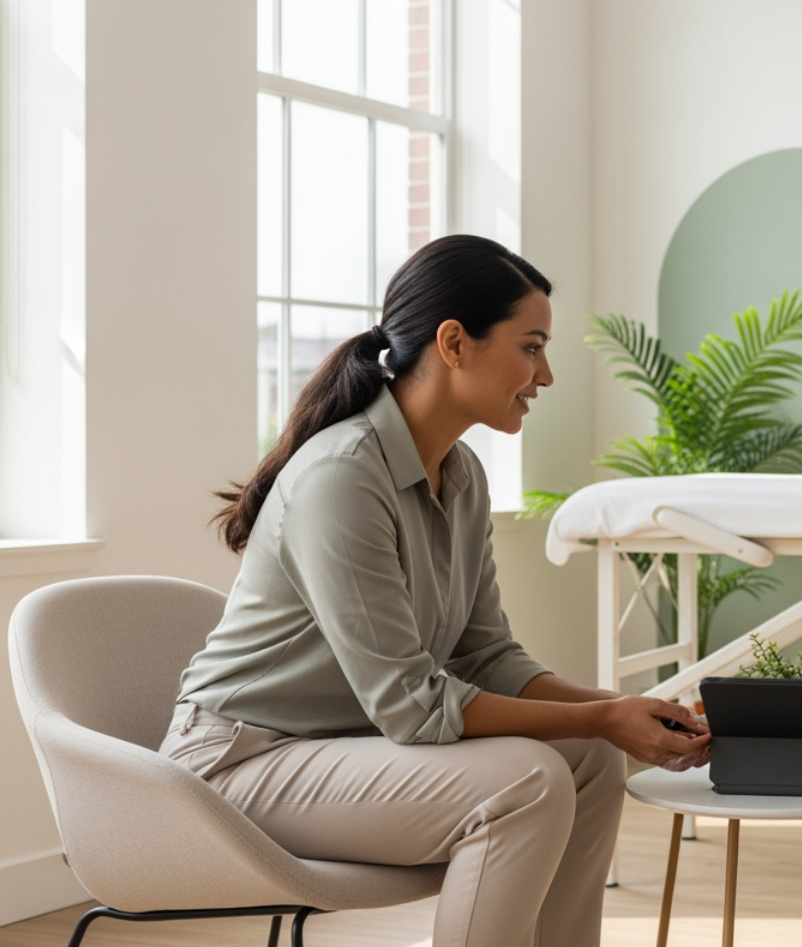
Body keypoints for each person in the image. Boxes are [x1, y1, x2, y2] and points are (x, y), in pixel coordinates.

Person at [160, 234, 709, 947]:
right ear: (455, 342)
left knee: (590, 761)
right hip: (238, 765)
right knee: (526, 783)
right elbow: (412, 705)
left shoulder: (463, 475)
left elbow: (485, 657)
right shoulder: (343, 477)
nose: (545, 377)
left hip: (338, 747)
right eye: (532, 346)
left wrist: (615, 712)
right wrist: (601, 717)